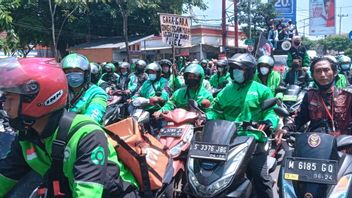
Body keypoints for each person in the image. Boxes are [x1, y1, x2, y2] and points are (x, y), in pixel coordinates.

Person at [0, 57, 139, 197]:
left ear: (37, 99)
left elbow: (87, 193)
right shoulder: (28, 136)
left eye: (10, 98)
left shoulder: (87, 136)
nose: (5, 105)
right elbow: (6, 175)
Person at [207, 53, 278, 198]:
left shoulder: (262, 90)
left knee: (261, 177)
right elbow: (216, 110)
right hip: (227, 139)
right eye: (233, 68)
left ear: (250, 71)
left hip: (253, 140)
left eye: (241, 69)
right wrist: (207, 117)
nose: (236, 72)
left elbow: (271, 112)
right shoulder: (226, 90)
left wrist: (268, 122)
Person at [276, 57, 352, 143]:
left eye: (326, 70)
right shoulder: (309, 96)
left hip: (343, 147)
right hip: (315, 145)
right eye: (318, 71)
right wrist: (285, 129)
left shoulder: (348, 96)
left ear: (334, 73)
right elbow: (299, 119)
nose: (322, 74)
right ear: (313, 75)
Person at [61, 53, 108, 124]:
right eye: (69, 72)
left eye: (77, 71)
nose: (73, 75)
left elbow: (92, 119)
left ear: (86, 74)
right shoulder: (61, 91)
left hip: (87, 132)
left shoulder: (97, 93)